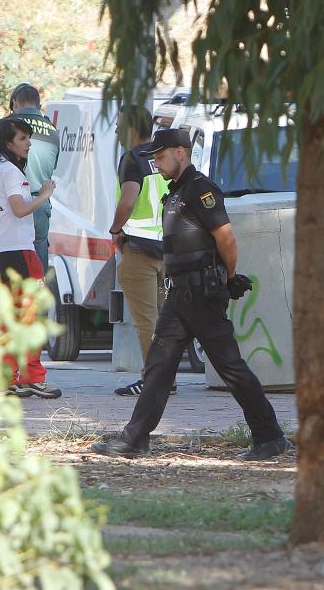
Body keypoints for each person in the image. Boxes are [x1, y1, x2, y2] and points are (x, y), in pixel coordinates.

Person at [91, 129, 290, 460]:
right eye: (152, 158)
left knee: (230, 367)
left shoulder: (201, 189)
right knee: (159, 365)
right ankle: (135, 438)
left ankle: (270, 437)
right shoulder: (175, 192)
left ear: (181, 152)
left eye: (160, 156)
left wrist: (228, 277)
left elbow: (226, 237)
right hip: (179, 295)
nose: (155, 163)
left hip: (201, 294)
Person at [0, 118, 62, 399]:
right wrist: (45, 195)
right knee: (31, 316)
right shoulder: (12, 173)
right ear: (8, 143)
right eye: (23, 139)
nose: (28, 144)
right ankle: (32, 377)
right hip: (19, 252)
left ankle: (5, 379)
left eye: (28, 138)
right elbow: (19, 209)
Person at [109, 105, 175, 397]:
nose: (115, 130)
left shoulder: (133, 159)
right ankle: (167, 378)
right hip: (167, 250)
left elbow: (127, 201)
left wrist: (115, 229)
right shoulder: (162, 157)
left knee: (146, 321)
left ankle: (153, 380)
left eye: (119, 125)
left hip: (138, 249)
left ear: (133, 129)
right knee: (163, 320)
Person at [0, 83, 59, 273]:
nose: (28, 144)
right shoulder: (52, 129)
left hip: (8, 210)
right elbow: (52, 167)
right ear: (38, 103)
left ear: (14, 102)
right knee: (36, 270)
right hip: (39, 204)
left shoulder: (6, 126)